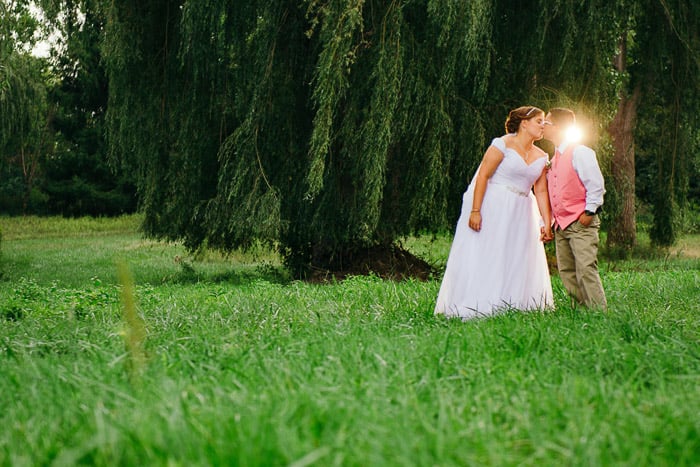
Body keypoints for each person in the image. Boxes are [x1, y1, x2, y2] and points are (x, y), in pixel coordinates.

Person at [434, 106, 554, 319]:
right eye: (539, 121)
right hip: (495, 205)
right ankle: (481, 303)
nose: (543, 125)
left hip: (523, 210)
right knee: (491, 251)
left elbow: (541, 190)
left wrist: (546, 220)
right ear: (524, 123)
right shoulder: (502, 144)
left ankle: (515, 303)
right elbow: (483, 176)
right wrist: (475, 210)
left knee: (517, 255)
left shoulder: (542, 155)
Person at [544, 107, 607, 309]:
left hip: (580, 221)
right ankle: (580, 310)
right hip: (561, 225)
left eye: (547, 122)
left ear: (559, 127)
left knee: (585, 267)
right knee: (567, 270)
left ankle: (598, 311)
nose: (543, 126)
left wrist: (589, 213)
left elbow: (595, 185)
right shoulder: (553, 159)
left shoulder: (580, 152)